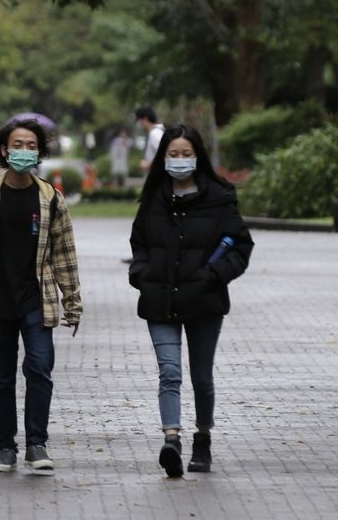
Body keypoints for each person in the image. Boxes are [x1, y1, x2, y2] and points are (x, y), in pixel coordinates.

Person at [0, 119, 83, 475]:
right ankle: (5, 446)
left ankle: (37, 444)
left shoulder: (51, 199)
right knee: (1, 377)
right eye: (17, 144)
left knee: (39, 367)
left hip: (36, 300)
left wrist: (72, 301)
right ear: (4, 150)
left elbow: (64, 253)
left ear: (39, 151)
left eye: (31, 145)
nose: (24, 151)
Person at [128, 124, 253, 478]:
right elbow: (139, 243)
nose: (179, 160)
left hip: (204, 300)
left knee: (201, 376)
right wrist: (142, 275)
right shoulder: (154, 198)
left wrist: (212, 277)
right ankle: (172, 439)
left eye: (186, 154)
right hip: (160, 299)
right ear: (162, 157)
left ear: (197, 156)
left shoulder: (220, 197)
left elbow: (240, 247)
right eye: (173, 154)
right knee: (169, 372)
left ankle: (202, 437)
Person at [135, 105, 165, 173]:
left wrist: (149, 165)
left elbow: (164, 154)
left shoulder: (155, 134)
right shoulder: (154, 132)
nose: (139, 124)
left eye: (139, 120)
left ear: (145, 119)